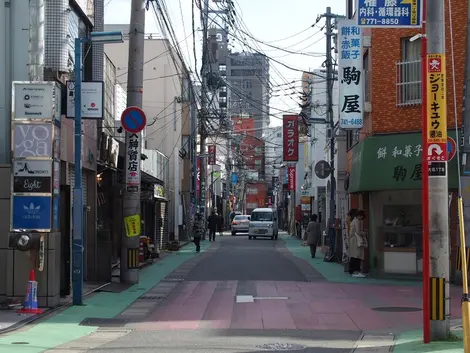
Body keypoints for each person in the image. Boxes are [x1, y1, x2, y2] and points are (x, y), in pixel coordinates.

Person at [348, 210, 368, 278]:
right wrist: (365, 233)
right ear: (360, 215)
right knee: (358, 255)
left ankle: (352, 270)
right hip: (356, 240)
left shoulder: (354, 220)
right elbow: (358, 232)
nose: (362, 218)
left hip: (352, 239)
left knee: (353, 255)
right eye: (362, 217)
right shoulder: (357, 221)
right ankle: (357, 271)